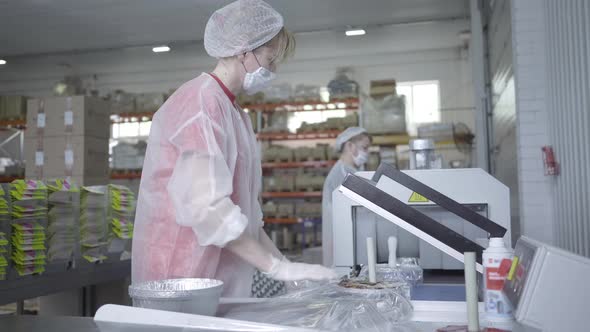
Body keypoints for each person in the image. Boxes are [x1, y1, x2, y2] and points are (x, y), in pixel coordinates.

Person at [132, 0, 337, 298]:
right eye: (270, 57)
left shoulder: (234, 112)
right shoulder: (202, 103)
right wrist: (277, 269)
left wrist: (287, 267)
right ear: (244, 50)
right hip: (181, 274)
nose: (273, 68)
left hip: (215, 277)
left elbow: (246, 217)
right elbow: (208, 209)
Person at [322, 127, 371, 267]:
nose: (366, 153)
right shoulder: (341, 174)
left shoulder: (350, 171)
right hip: (342, 244)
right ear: (350, 146)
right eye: (364, 148)